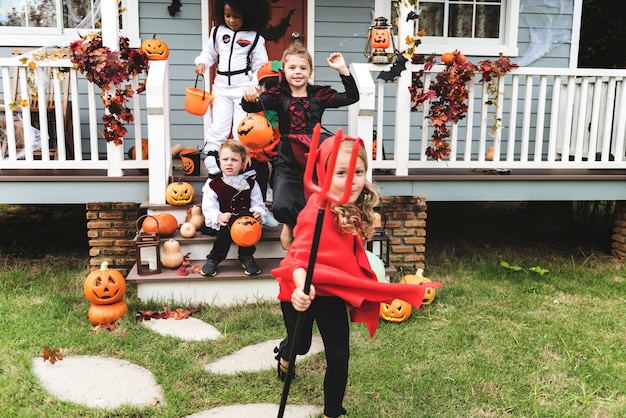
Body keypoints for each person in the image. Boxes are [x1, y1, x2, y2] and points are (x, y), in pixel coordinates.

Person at [271, 134, 442, 418]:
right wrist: (302, 289)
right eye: (341, 173)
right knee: (301, 344)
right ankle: (286, 353)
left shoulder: (350, 209)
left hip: (330, 293)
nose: (351, 180)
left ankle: (333, 412)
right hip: (299, 288)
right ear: (323, 174)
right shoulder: (315, 212)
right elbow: (298, 257)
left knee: (339, 356)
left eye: (358, 172)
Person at [242, 41, 360, 249]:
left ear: (310, 71)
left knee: (316, 204)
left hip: (314, 158)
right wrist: (249, 95)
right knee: (280, 204)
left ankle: (308, 251)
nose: (298, 72)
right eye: (292, 68)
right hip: (287, 159)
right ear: (284, 72)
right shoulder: (278, 96)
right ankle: (289, 226)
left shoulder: (319, 96)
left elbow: (352, 97)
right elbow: (251, 106)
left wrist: (343, 70)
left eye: (303, 68)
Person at [194, 0, 271, 178]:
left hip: (242, 89)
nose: (232, 20)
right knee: (218, 125)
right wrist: (202, 63)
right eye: (227, 16)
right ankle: (213, 161)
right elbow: (209, 53)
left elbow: (260, 66)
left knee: (241, 128)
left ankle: (240, 164)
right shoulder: (217, 33)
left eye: (237, 16)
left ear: (248, 15)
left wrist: (254, 87)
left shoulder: (255, 37)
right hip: (220, 86)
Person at [200, 139, 266, 276]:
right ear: (219, 162)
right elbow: (209, 207)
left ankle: (246, 255)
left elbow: (257, 203)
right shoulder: (213, 185)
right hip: (224, 223)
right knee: (228, 223)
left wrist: (258, 212)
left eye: (234, 160)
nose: (229, 163)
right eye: (225, 159)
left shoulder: (251, 184)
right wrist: (217, 216)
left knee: (246, 219)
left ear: (242, 165)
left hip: (245, 223)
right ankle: (214, 258)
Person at [249, 60, 282, 227]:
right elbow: (248, 131)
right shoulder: (257, 105)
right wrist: (249, 152)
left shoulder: (286, 104)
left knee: (280, 177)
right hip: (260, 150)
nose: (272, 92)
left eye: (276, 87)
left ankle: (280, 207)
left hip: (280, 150)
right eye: (267, 87)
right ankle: (262, 209)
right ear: (260, 88)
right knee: (259, 175)